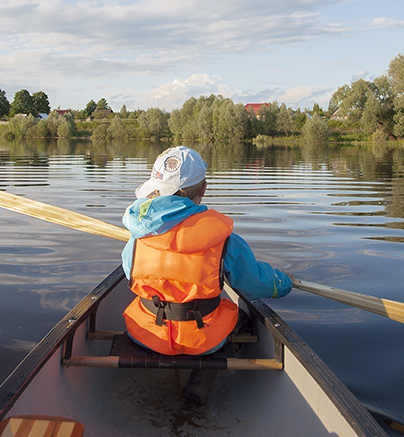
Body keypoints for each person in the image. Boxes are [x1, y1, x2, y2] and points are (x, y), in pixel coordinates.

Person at [121, 146, 293, 399]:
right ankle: (202, 379)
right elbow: (255, 284)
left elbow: (129, 271)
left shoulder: (138, 235)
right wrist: (283, 283)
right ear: (203, 189)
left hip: (147, 333)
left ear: (155, 188)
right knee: (243, 318)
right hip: (203, 338)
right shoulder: (224, 239)